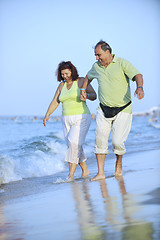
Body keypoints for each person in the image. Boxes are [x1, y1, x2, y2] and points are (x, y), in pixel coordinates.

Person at [80, 40, 144, 181]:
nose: (97, 58)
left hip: (123, 108)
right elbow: (88, 77)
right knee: (100, 141)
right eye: (95, 55)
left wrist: (139, 87)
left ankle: (118, 163)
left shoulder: (121, 63)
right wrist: (83, 89)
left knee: (117, 142)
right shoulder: (96, 67)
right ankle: (101, 172)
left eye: (99, 55)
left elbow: (138, 75)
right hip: (103, 109)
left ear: (108, 52)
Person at [43, 61, 97, 181]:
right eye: (62, 74)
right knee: (74, 145)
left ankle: (70, 175)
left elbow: (94, 95)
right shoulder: (61, 86)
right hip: (66, 119)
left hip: (82, 117)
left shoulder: (82, 81)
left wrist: (87, 96)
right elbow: (55, 101)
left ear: (72, 71)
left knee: (73, 144)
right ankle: (85, 170)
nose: (65, 76)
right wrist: (47, 114)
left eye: (66, 73)